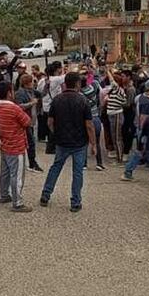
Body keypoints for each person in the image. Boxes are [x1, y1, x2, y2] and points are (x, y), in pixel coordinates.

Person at [40, 72, 96, 212]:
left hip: (62, 141)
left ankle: (46, 194)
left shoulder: (57, 100)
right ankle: (75, 201)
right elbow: (89, 124)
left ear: (65, 83)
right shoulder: (83, 101)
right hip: (79, 142)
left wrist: (56, 133)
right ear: (77, 83)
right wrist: (93, 143)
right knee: (77, 172)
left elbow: (50, 122)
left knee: (56, 167)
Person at [0, 81, 32, 212]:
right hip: (16, 146)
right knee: (16, 175)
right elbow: (27, 121)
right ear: (9, 93)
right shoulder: (14, 108)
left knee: (4, 173)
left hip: (5, 144)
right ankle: (18, 202)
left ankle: (4, 194)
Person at [122, 79, 149, 181]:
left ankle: (128, 171)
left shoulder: (141, 97)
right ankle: (128, 171)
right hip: (146, 131)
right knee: (140, 151)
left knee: (141, 151)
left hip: (141, 129)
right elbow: (144, 120)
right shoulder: (147, 103)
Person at [14, 72, 43, 172]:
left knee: (31, 141)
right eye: (31, 82)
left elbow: (42, 94)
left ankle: (32, 161)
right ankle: (32, 162)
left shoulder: (32, 92)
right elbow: (19, 106)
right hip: (25, 120)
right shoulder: (20, 93)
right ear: (26, 83)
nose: (33, 83)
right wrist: (32, 103)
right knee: (30, 142)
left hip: (32, 120)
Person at [80, 69, 106, 171]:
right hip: (95, 117)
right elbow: (96, 82)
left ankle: (84, 164)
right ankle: (99, 163)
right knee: (97, 142)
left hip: (85, 120)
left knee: (84, 142)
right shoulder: (93, 88)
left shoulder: (80, 95)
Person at [104, 66, 129, 164]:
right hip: (112, 114)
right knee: (115, 137)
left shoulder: (118, 89)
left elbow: (111, 80)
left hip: (116, 114)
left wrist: (108, 71)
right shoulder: (115, 90)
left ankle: (120, 159)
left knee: (117, 138)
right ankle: (119, 158)